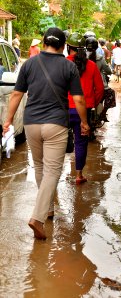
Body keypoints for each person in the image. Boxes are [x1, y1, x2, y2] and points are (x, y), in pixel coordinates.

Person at [3, 27, 90, 240]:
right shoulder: (69, 66)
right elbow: (78, 100)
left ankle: (48, 208)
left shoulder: (29, 64)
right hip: (56, 125)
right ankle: (38, 217)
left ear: (43, 43)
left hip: (32, 123)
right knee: (53, 170)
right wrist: (84, 122)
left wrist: (7, 121)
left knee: (41, 167)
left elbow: (16, 94)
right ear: (62, 46)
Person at [66, 32, 104, 184]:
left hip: (63, 111)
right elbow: (100, 89)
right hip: (84, 112)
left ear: (68, 47)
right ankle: (79, 175)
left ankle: (52, 177)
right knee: (81, 142)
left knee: (57, 142)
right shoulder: (92, 66)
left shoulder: (63, 63)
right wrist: (91, 104)